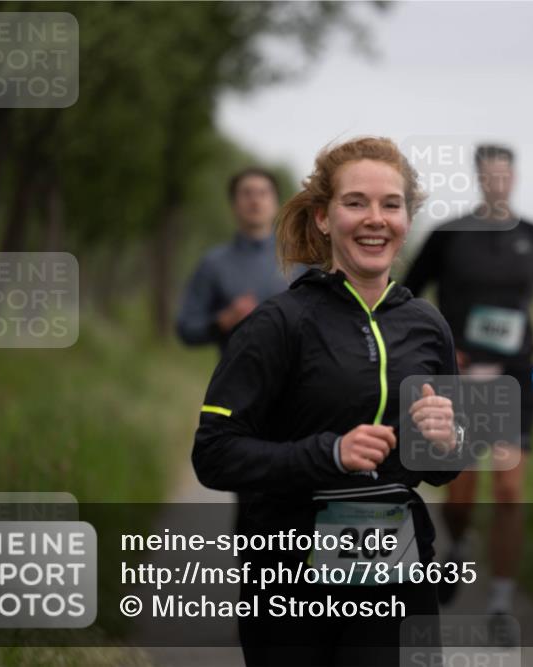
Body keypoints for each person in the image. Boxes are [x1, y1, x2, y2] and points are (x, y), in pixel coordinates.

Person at [192, 137, 465, 666]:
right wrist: (329, 454)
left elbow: (443, 469)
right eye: (355, 202)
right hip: (289, 566)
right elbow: (214, 453)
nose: (375, 219)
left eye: (391, 204)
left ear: (407, 218)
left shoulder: (427, 325)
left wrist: (444, 440)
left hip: (398, 564)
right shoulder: (279, 323)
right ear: (322, 217)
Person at [404, 144, 533, 622]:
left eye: (505, 174)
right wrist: (437, 349)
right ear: (478, 178)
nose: (498, 182)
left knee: (509, 490)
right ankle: (459, 539)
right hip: (460, 378)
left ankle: (500, 599)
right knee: (460, 494)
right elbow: (410, 296)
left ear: (514, 178)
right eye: (489, 174)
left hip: (515, 377)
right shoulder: (449, 235)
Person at [176, 166, 294, 353]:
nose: (255, 200)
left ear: (276, 204)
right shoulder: (213, 263)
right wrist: (221, 322)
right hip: (236, 378)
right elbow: (186, 329)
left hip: (295, 379)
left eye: (263, 193)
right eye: (247, 193)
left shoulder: (301, 261)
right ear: (233, 204)